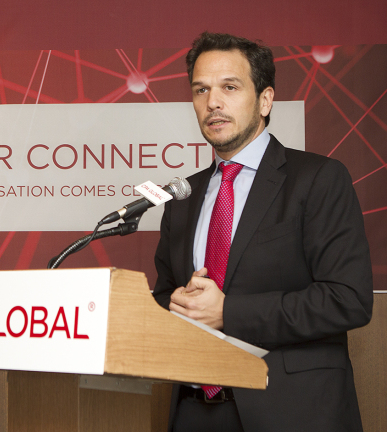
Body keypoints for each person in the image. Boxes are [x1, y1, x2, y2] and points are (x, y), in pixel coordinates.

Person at [152, 32, 373, 432]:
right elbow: (166, 293)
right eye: (200, 90)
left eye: (229, 87)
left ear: (266, 99)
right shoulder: (182, 196)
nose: (212, 103)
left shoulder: (318, 179)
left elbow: (348, 300)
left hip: (292, 412)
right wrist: (177, 305)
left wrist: (227, 312)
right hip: (195, 409)